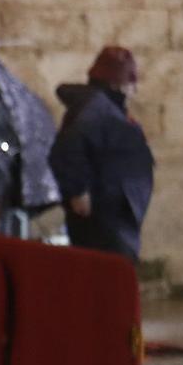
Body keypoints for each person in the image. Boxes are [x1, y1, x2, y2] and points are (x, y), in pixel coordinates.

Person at [49, 46, 154, 264]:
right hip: (106, 215)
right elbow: (69, 147)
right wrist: (78, 190)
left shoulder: (101, 107)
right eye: (131, 81)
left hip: (114, 210)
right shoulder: (97, 109)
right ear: (119, 83)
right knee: (109, 274)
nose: (135, 88)